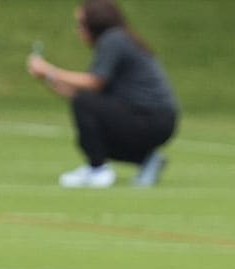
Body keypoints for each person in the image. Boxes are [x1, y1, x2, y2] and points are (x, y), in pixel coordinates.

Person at [27, 0, 178, 188]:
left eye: (81, 24)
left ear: (96, 22)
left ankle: (98, 170)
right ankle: (147, 160)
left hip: (150, 116)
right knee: (89, 121)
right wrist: (46, 78)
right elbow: (79, 96)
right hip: (155, 118)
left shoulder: (113, 39)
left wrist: (50, 70)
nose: (78, 30)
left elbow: (93, 83)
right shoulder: (116, 40)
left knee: (86, 108)